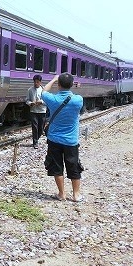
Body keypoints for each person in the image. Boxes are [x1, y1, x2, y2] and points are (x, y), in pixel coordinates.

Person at [41, 73, 84, 202]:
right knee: (74, 166)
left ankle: (62, 194)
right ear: (71, 85)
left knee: (57, 167)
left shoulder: (52, 99)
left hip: (54, 139)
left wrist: (53, 79)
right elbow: (73, 97)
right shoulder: (78, 100)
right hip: (71, 141)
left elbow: (43, 91)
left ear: (58, 84)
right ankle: (76, 195)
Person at [25, 74, 47, 148]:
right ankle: (35, 142)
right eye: (35, 82)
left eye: (37, 82)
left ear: (40, 82)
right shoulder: (30, 90)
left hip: (42, 111)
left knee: (41, 127)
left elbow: (47, 101)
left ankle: (37, 138)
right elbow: (27, 100)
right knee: (34, 126)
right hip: (33, 111)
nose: (36, 83)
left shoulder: (44, 90)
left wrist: (41, 102)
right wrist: (30, 103)